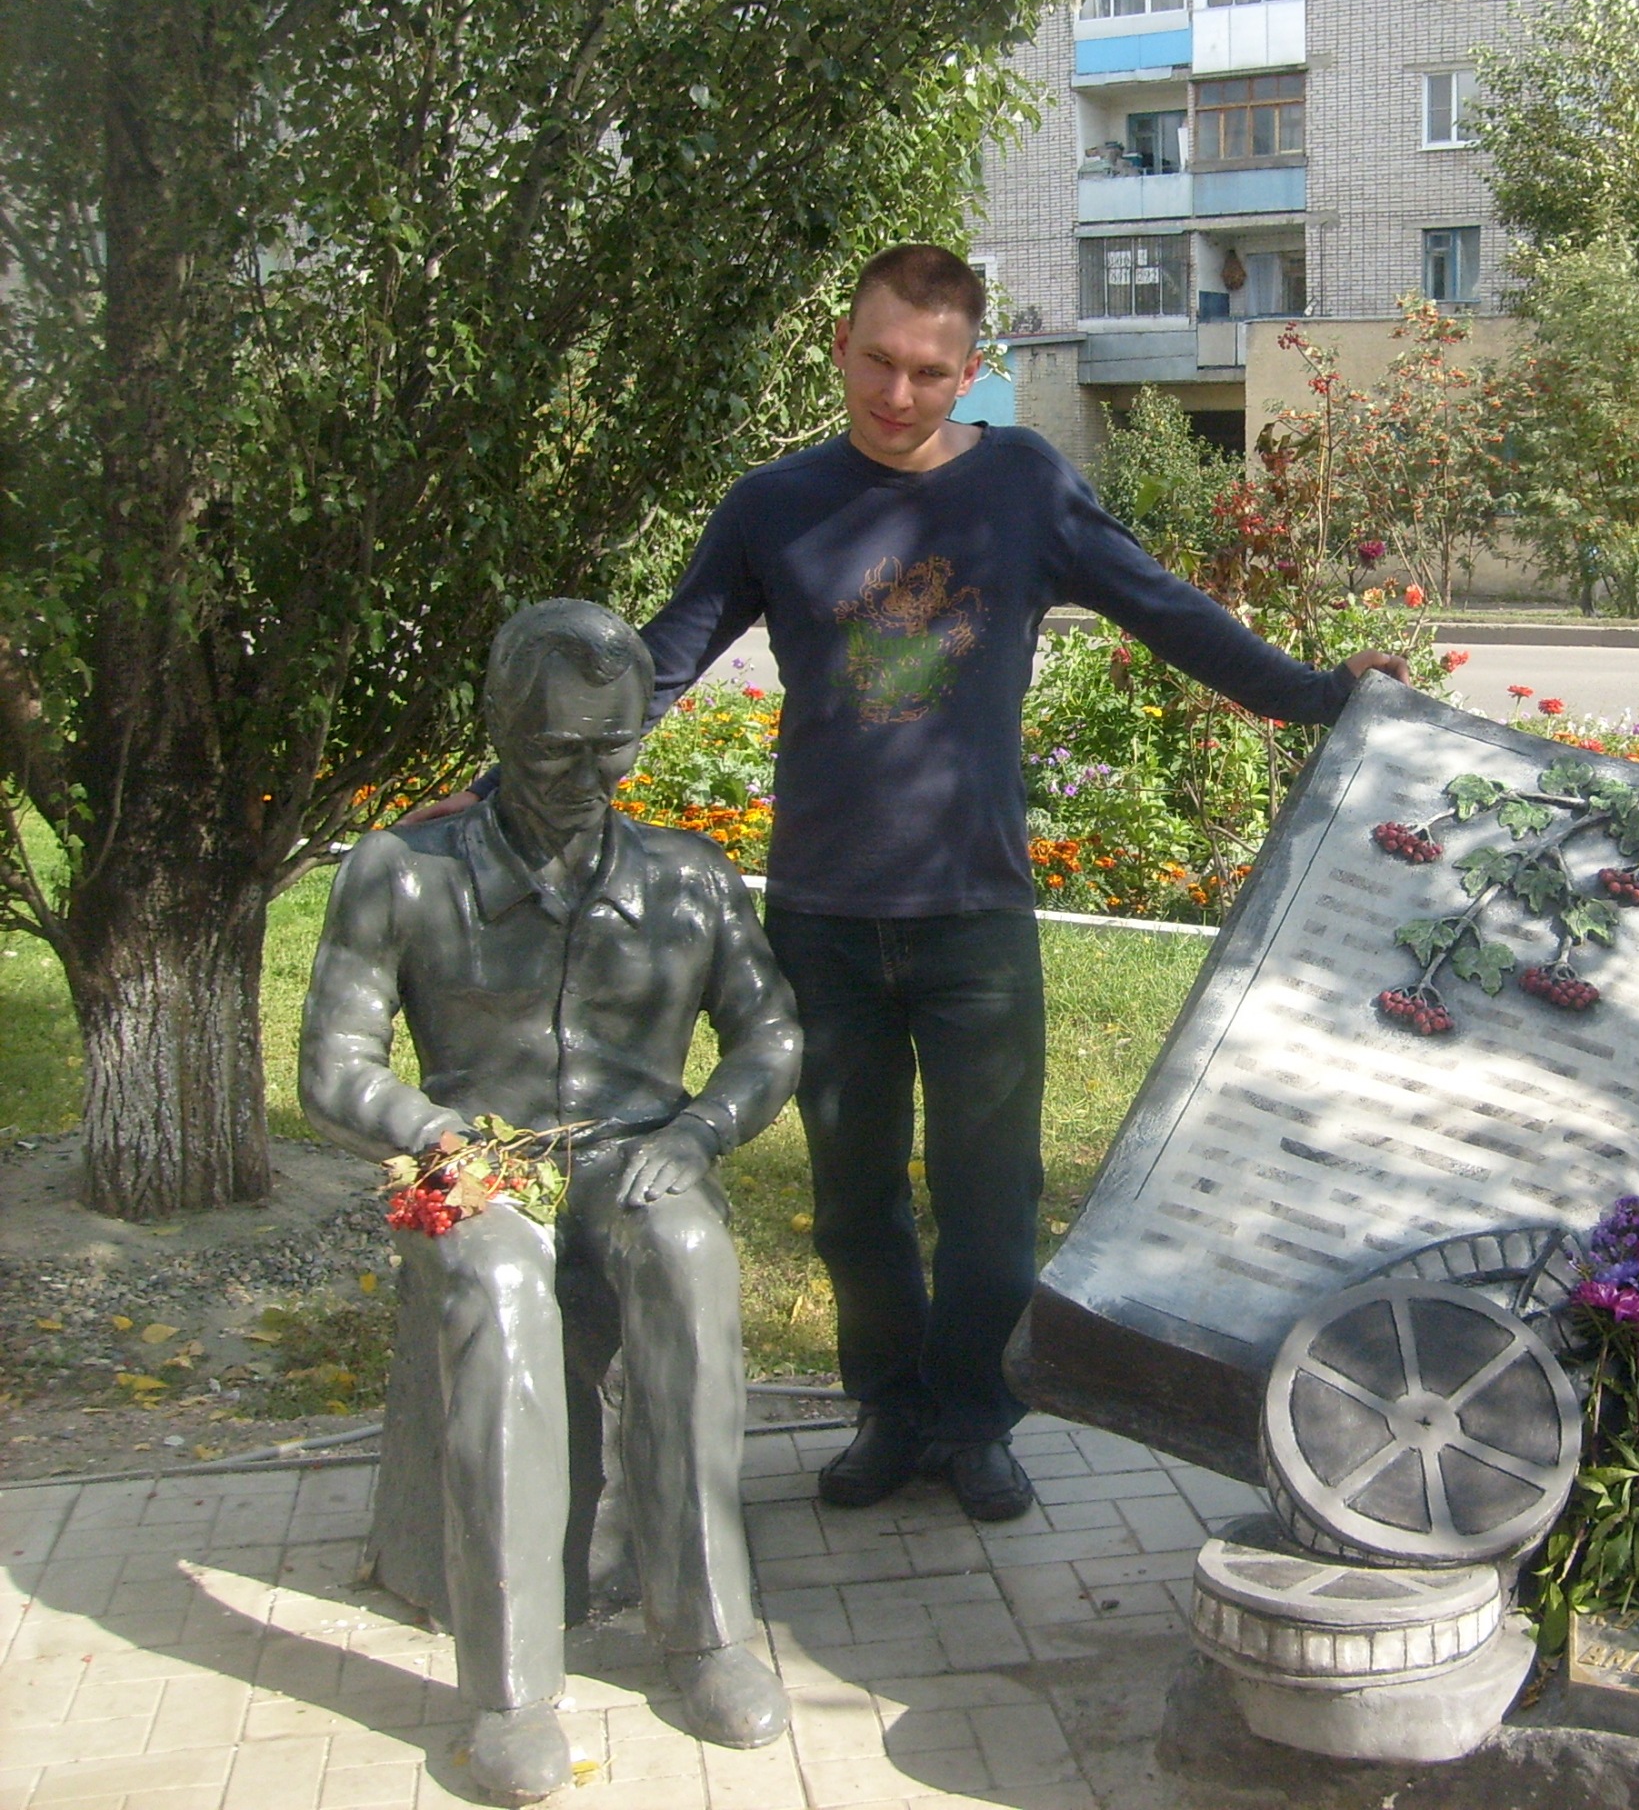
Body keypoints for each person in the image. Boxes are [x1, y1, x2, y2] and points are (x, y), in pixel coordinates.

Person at [415, 243, 1410, 1524]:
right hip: (821, 921)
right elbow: (660, 664)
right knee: (855, 1202)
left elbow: (1171, 614)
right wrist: (511, 790)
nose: (898, 394)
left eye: (930, 373)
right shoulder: (773, 505)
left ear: (971, 370)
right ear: (841, 345)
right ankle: (889, 1412)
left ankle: (976, 1420)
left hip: (975, 917)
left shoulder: (1024, 486)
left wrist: (1324, 695)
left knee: (991, 1205)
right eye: (878, 361)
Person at [305, 600, 804, 1804]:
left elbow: (770, 1036)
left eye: (612, 747)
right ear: (498, 725)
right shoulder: (402, 872)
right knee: (499, 1281)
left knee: (687, 1254)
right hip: (469, 1155)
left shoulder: (689, 880)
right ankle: (511, 1690)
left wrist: (699, 1131)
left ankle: (708, 1632)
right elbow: (333, 1069)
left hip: (636, 1155)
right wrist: (433, 1137)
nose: (587, 778)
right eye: (555, 750)